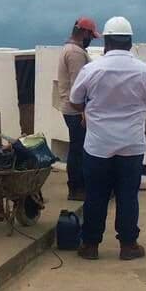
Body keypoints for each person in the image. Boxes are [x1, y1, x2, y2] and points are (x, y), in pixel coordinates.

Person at [68, 16, 146, 261]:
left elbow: (75, 101)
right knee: (128, 196)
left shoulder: (92, 70)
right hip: (132, 145)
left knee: (95, 195)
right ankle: (128, 245)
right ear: (130, 43)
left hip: (98, 146)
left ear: (107, 43)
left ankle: (90, 246)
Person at [56, 17, 98, 201]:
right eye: (91, 35)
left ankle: (78, 187)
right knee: (78, 150)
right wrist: (84, 112)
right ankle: (77, 188)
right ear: (84, 33)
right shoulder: (75, 53)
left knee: (77, 148)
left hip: (71, 108)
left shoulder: (70, 49)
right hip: (76, 110)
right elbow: (78, 85)